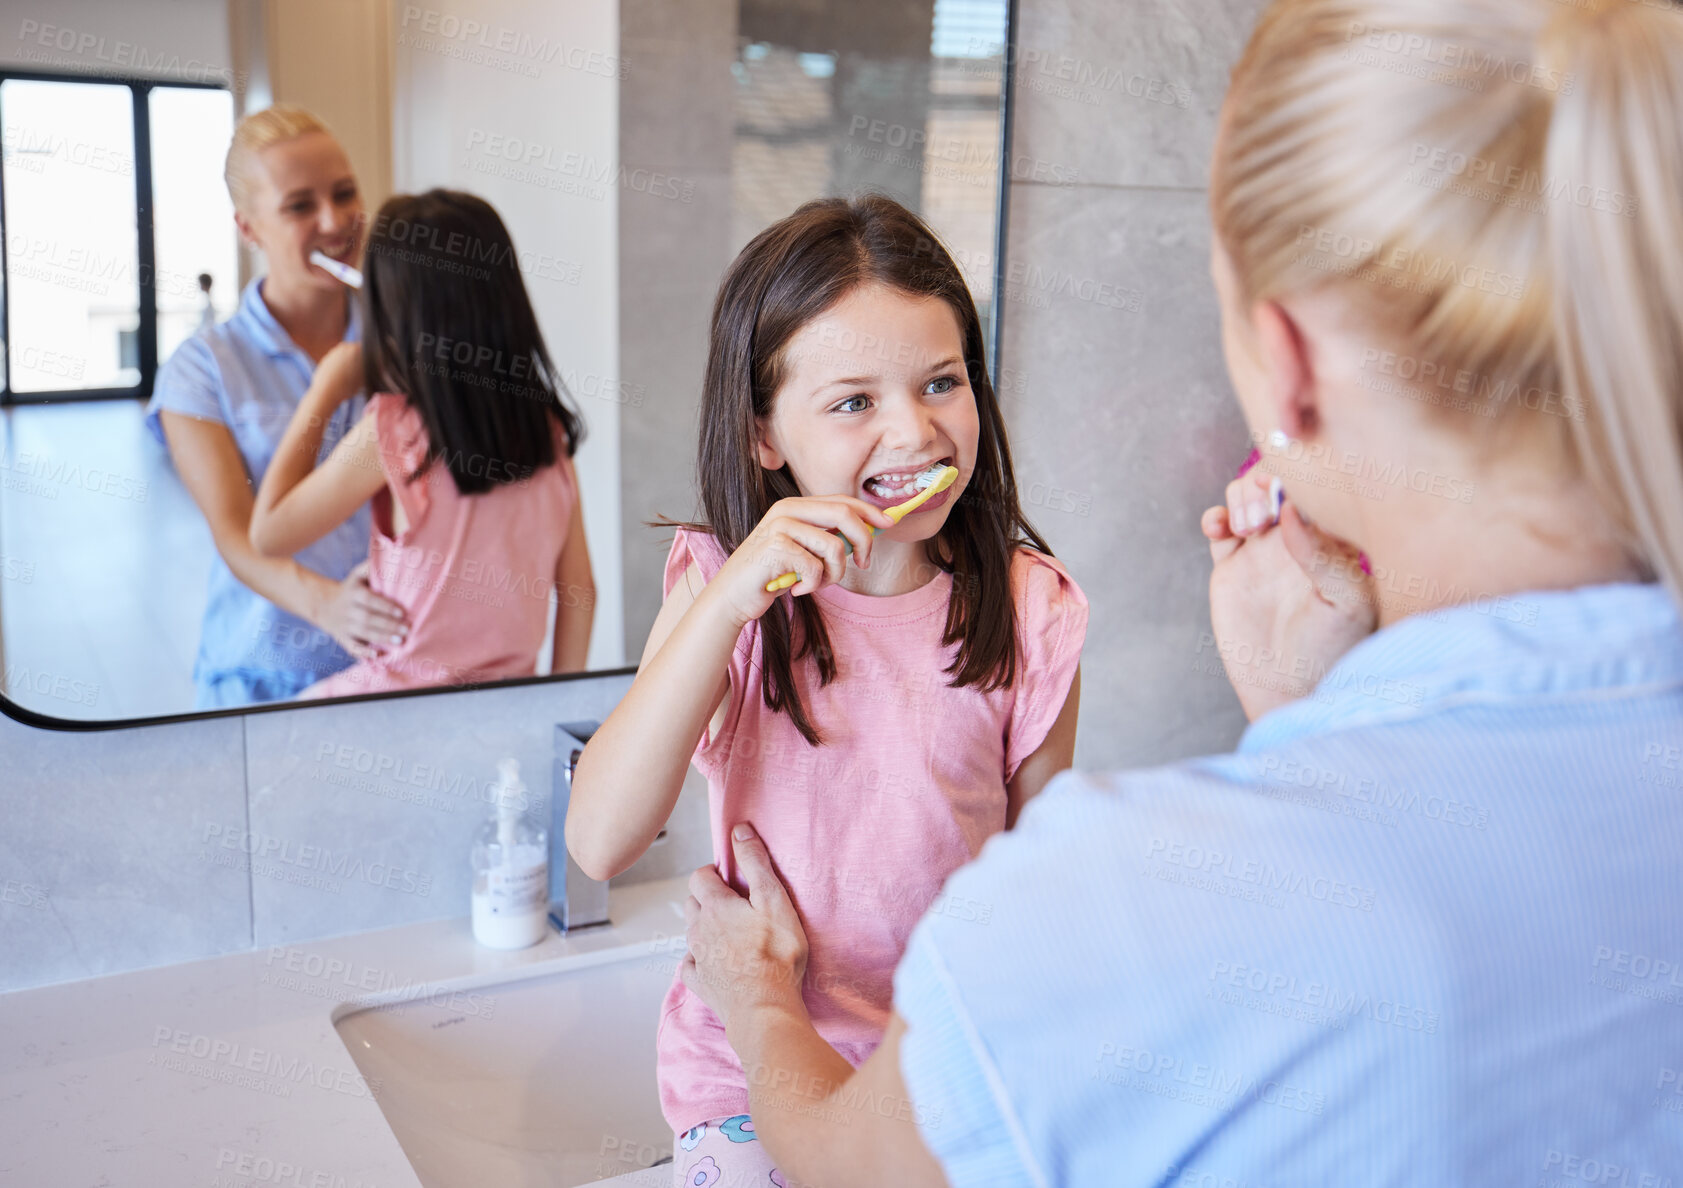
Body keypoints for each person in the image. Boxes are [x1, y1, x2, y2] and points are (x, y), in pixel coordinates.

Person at [679, 0, 1683, 1183]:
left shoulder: (1115, 911)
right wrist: (1310, 725)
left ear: (1290, 366)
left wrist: (754, 1001)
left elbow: (856, 1164)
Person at [566, 195, 1086, 1186]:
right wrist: (725, 607)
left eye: (941, 382)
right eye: (853, 402)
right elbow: (599, 841)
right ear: (766, 436)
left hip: (940, 1068)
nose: (914, 431)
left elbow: (1040, 887)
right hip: (743, 1073)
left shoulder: (1031, 608)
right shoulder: (719, 586)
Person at [247, 189, 594, 696]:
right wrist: (554, 705)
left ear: (396, 312)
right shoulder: (548, 431)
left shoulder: (394, 430)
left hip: (395, 708)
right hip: (509, 707)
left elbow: (268, 534)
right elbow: (580, 590)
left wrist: (324, 390)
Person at [147, 105, 407, 708]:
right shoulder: (201, 370)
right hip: (260, 676)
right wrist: (329, 606)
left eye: (345, 194)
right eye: (299, 206)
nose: (334, 220)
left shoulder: (401, 345)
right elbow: (237, 537)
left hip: (392, 666)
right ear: (249, 228)